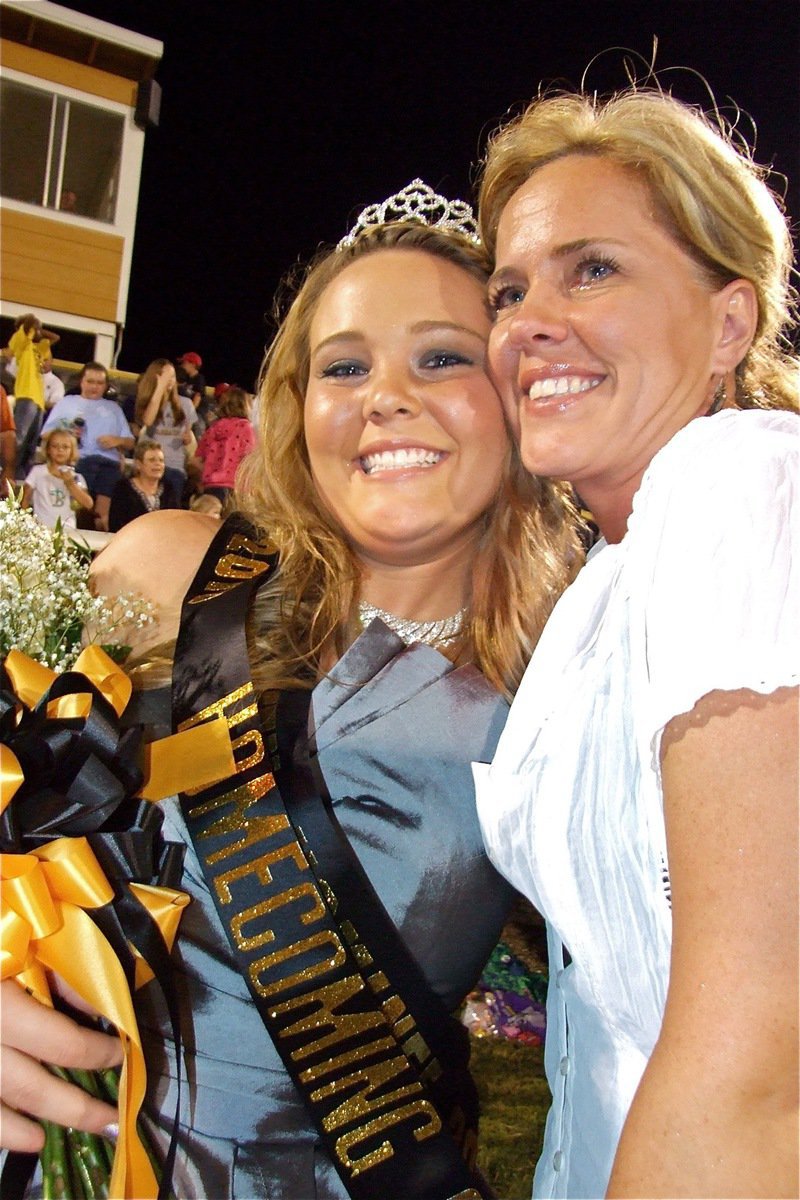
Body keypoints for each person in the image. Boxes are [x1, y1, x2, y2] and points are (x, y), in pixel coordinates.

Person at [0, 185, 580, 1199]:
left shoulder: (564, 686)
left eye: (440, 356)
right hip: (64, 1153)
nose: (382, 395)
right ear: (297, 406)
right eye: (342, 366)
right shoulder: (165, 569)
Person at [473, 85, 799, 1199]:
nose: (526, 322)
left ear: (727, 322)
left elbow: (758, 1062)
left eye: (591, 269)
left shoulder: (735, 488)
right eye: (508, 288)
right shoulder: (607, 575)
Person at [42, 362, 135, 531]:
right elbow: (45, 434)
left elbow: (130, 441)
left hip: (109, 464)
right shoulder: (66, 403)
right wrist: (67, 433)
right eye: (90, 381)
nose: (95, 387)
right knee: (80, 511)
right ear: (82, 382)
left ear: (106, 386)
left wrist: (117, 440)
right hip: (78, 461)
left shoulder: (114, 408)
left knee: (102, 518)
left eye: (100, 383)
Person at [5, 312, 60, 478]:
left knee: (30, 444)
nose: (39, 330)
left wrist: (39, 331)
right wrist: (30, 324)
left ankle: (21, 476)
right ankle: (6, 471)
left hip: (38, 402)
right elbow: (28, 323)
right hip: (26, 396)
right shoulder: (20, 341)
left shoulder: (37, 347)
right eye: (36, 327)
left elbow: (55, 338)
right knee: (19, 438)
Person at [135, 358, 198, 501]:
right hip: (149, 467)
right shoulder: (146, 401)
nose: (170, 380)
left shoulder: (186, 403)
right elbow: (148, 420)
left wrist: (187, 438)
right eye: (166, 376)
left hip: (174, 466)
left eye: (172, 376)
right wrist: (159, 388)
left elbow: (188, 433)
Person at [193, 384, 255, 503]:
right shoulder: (245, 428)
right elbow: (249, 459)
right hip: (235, 486)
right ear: (245, 405)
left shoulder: (213, 428)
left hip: (211, 485)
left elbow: (196, 460)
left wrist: (207, 471)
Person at [23, 428, 93, 529]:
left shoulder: (77, 477)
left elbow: (88, 504)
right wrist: (25, 522)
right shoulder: (37, 471)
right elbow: (25, 497)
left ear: (72, 451)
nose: (60, 450)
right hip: (41, 530)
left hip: (67, 530)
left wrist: (70, 484)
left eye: (65, 447)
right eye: (55, 446)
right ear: (48, 449)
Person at [108, 438, 180, 532]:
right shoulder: (123, 488)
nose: (158, 464)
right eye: (152, 460)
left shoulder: (168, 489)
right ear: (138, 464)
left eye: (161, 460)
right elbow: (115, 524)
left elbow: (177, 522)